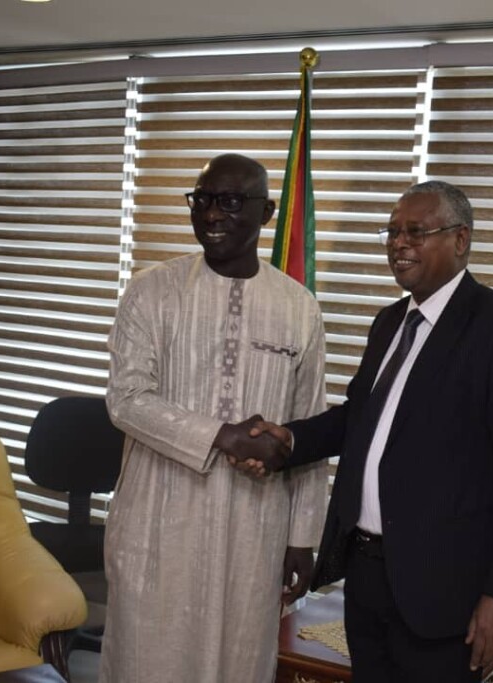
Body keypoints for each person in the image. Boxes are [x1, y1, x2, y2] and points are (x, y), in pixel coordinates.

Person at [238, 180, 493, 682]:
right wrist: (290, 439)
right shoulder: (390, 322)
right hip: (367, 579)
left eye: (415, 232)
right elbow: (360, 417)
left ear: (460, 239)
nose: (398, 243)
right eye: (391, 232)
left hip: (445, 593)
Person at [101, 153, 328, 682]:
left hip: (255, 528)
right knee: (148, 660)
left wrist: (303, 536)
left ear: (267, 212)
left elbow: (308, 425)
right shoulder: (152, 291)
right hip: (159, 519)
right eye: (202, 199)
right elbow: (127, 399)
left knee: (238, 661)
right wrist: (224, 436)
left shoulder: (299, 307)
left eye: (230, 201)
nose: (211, 214)